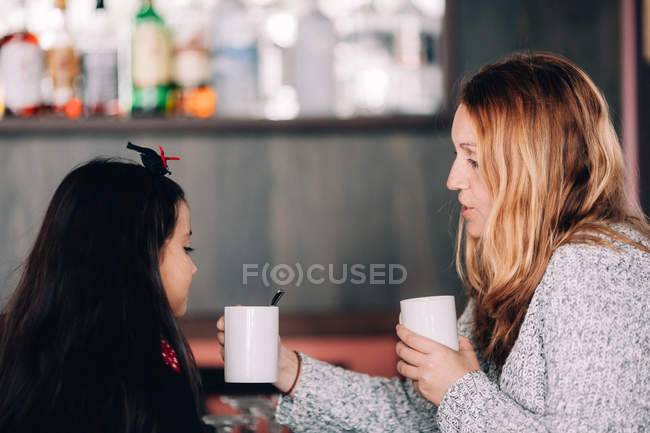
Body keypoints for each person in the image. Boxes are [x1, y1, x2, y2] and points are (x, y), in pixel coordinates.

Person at [216, 53, 650, 432]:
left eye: (474, 159)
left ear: (532, 167)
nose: (453, 179)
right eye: (456, 155)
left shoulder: (598, 269)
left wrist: (460, 389)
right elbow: (420, 417)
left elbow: (460, 402)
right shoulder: (517, 273)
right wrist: (288, 370)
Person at [0, 157, 213, 433]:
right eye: (186, 248)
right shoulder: (145, 374)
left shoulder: (27, 351)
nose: (193, 268)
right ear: (138, 256)